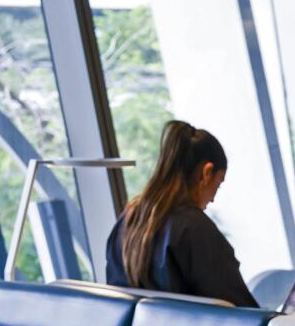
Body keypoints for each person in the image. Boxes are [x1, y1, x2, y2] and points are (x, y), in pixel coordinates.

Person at [104, 120, 256, 308]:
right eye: (218, 184)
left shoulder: (129, 219)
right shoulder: (192, 227)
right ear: (206, 173)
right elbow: (240, 310)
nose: (213, 199)